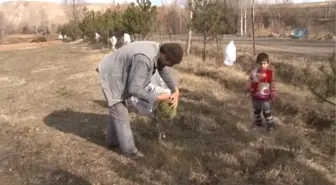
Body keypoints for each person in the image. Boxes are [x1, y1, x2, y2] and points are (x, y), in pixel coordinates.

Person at [97, 41, 183, 158]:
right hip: (112, 75)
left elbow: (163, 70)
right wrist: (158, 97)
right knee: (121, 114)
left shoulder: (158, 51)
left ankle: (111, 142)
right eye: (170, 63)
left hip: (118, 71)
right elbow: (134, 89)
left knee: (117, 112)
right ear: (165, 56)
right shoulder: (144, 59)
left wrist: (175, 91)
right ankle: (130, 152)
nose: (169, 66)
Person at [245, 52, 276, 131]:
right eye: (260, 63)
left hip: (265, 97)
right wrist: (247, 87)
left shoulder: (270, 73)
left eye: (264, 63)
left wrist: (273, 92)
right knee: (256, 111)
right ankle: (258, 124)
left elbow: (272, 83)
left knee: (267, 112)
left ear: (268, 64)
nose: (262, 65)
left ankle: (270, 125)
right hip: (255, 96)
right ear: (257, 64)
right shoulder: (254, 72)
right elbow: (250, 80)